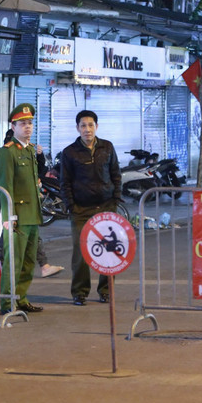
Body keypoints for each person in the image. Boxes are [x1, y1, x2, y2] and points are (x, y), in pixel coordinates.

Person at [60, 110, 122, 306]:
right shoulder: (69, 152)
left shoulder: (108, 147)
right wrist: (72, 206)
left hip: (106, 208)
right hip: (81, 210)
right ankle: (79, 292)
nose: (87, 129)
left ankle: (106, 291)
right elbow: (65, 182)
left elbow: (116, 174)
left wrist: (115, 199)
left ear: (96, 126)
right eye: (83, 126)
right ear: (77, 128)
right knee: (80, 253)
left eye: (90, 125)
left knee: (109, 252)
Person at [0, 128, 64, 278]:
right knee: (6, 236)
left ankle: (43, 266)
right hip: (12, 203)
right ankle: (3, 268)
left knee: (32, 236)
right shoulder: (4, 153)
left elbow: (39, 170)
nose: (28, 130)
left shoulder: (29, 151)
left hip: (28, 204)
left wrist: (40, 155)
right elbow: (1, 179)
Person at [0, 103, 44, 313]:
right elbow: (5, 188)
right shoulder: (7, 153)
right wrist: (9, 217)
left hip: (32, 214)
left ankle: (21, 298)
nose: (27, 127)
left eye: (30, 123)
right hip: (17, 216)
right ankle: (8, 302)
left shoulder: (31, 150)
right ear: (13, 126)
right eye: (22, 123)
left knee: (28, 261)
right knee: (13, 262)